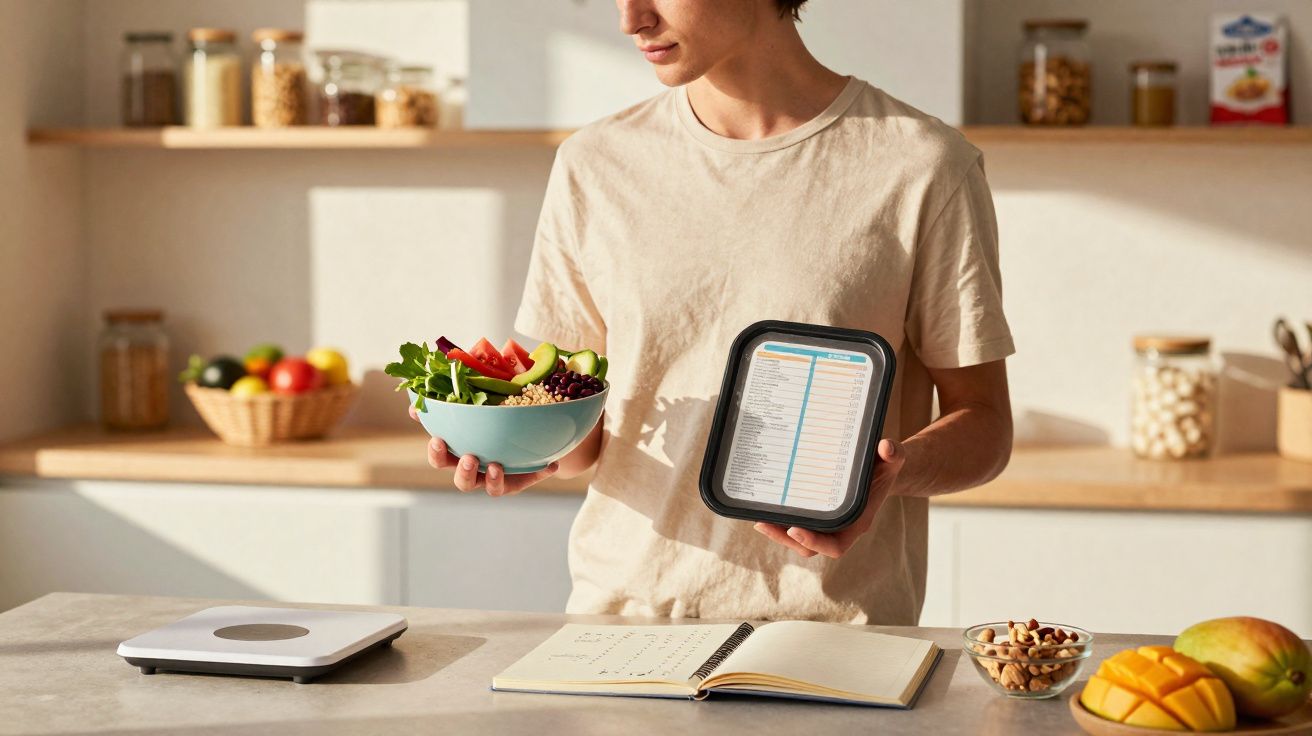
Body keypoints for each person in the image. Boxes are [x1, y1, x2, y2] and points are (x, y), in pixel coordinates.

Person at [419, 0, 1015, 625]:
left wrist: (887, 474)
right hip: (620, 626)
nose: (632, 20)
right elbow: (578, 437)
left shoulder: (922, 164)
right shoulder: (595, 164)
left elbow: (985, 426)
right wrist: (510, 447)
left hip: (831, 641)